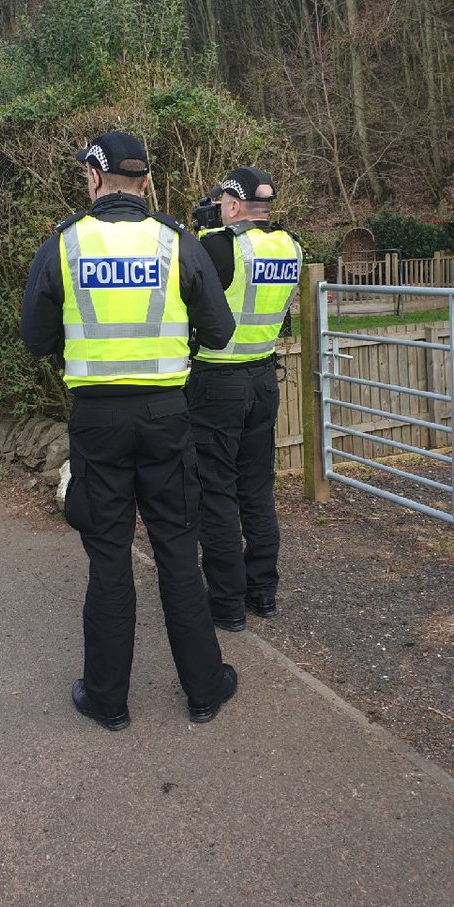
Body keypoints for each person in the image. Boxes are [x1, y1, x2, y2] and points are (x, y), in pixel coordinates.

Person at [19, 131, 239, 730]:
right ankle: (203, 691)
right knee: (176, 550)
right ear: (145, 182)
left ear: (93, 181)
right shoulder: (177, 243)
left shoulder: (64, 244)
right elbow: (220, 332)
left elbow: (35, 339)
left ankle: (107, 699)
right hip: (168, 419)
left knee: (109, 556)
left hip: (97, 423)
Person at [188, 165, 302, 631]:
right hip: (262, 380)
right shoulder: (291, 246)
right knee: (256, 491)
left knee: (216, 495)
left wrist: (203, 229)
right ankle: (263, 594)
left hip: (217, 382)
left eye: (221, 204)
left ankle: (227, 605)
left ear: (233, 205)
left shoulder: (220, 245)